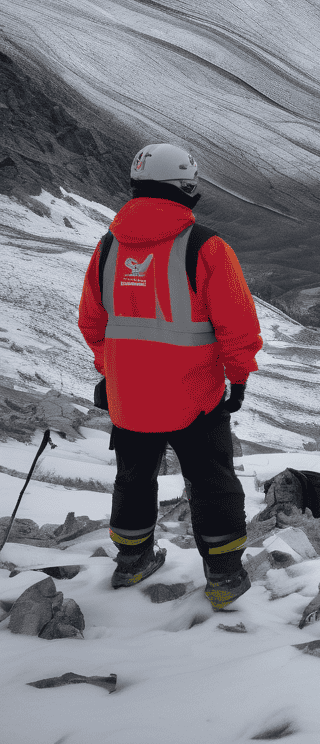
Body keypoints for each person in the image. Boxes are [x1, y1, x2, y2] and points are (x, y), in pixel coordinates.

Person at [78, 143, 263, 611]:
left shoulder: (108, 247)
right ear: (185, 188)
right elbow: (237, 325)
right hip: (194, 397)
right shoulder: (206, 247)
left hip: (129, 398)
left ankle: (132, 561)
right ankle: (223, 578)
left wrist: (112, 371)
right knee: (211, 482)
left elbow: (92, 324)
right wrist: (238, 379)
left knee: (134, 479)